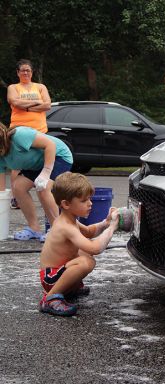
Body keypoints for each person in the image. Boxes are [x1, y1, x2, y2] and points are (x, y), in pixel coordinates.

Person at [39, 171, 119, 317]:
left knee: (83, 253)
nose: (90, 204)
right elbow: (96, 248)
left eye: (89, 199)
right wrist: (112, 227)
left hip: (57, 273)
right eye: (84, 201)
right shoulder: (66, 226)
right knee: (86, 261)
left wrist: (105, 223)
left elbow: (88, 232)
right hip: (50, 278)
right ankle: (50, 298)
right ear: (66, 204)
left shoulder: (70, 220)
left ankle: (71, 287)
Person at [0, 123, 73, 242]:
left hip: (58, 156)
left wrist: (46, 171)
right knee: (18, 187)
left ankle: (57, 229)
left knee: (43, 188)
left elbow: (50, 145)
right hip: (35, 165)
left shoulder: (20, 135)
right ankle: (34, 228)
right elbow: (1, 189)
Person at [7, 59, 51, 209]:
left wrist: (25, 107)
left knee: (41, 161)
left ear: (32, 72)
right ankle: (16, 197)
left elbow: (47, 105)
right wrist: (36, 105)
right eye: (23, 70)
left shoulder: (40, 87)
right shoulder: (14, 87)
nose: (26, 72)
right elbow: (13, 101)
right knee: (18, 164)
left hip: (39, 130)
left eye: (28, 70)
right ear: (18, 72)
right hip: (19, 129)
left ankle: (44, 191)